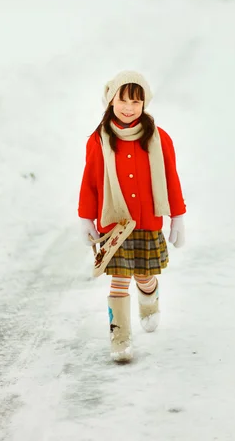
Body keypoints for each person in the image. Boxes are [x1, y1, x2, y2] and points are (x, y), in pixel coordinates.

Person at [78, 71, 186, 362]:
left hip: (148, 222)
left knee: (144, 275)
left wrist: (178, 217)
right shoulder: (98, 140)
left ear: (144, 103)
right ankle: (120, 338)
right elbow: (90, 181)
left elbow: (171, 179)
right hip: (115, 227)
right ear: (111, 101)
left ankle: (150, 297)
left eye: (136, 101)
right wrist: (86, 219)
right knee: (118, 280)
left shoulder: (159, 138)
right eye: (123, 100)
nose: (129, 107)